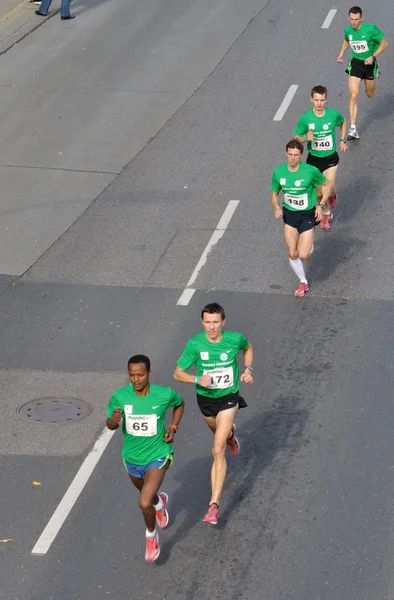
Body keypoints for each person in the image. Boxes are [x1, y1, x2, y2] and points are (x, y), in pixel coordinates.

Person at [173, 302, 253, 525]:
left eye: (215, 322)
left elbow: (248, 348)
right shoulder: (195, 345)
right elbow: (178, 373)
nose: (211, 327)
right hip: (206, 400)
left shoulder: (234, 339)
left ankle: (213, 505)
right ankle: (229, 434)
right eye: (207, 322)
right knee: (218, 433)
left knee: (217, 450)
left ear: (223, 322)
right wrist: (197, 379)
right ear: (202, 322)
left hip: (228, 398)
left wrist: (248, 369)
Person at [106, 354, 184, 563]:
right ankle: (161, 503)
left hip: (158, 455)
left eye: (140, 375)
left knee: (143, 501)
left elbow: (180, 403)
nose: (136, 379)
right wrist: (113, 421)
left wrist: (173, 427)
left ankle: (151, 536)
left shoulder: (163, 394)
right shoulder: (120, 397)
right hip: (131, 458)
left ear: (149, 373)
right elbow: (110, 424)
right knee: (148, 498)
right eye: (132, 375)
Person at [270, 139, 332, 297]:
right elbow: (274, 194)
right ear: (286, 154)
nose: (292, 158)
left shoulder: (310, 171)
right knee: (292, 252)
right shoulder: (278, 172)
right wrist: (276, 207)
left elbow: (328, 185)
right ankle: (303, 282)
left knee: (303, 255)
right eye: (290, 154)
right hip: (289, 215)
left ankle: (308, 243)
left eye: (296, 155)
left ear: (301, 155)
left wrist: (321, 204)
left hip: (307, 215)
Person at [294, 85, 348, 231]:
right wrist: (305, 138)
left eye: (322, 100)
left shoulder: (332, 115)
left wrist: (343, 140)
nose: (319, 103)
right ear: (311, 100)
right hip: (314, 159)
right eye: (316, 100)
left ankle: (325, 208)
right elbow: (296, 137)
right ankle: (326, 211)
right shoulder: (305, 118)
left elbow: (343, 122)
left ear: (326, 100)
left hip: (330, 158)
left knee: (328, 186)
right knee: (318, 192)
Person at [336, 6, 387, 140]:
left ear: (361, 18)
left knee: (369, 94)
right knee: (354, 94)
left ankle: (376, 73)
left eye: (356, 19)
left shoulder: (371, 29)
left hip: (370, 64)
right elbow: (347, 40)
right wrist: (341, 53)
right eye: (351, 19)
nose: (353, 22)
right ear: (349, 18)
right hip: (356, 64)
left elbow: (384, 44)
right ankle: (353, 128)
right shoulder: (348, 30)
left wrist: (373, 57)